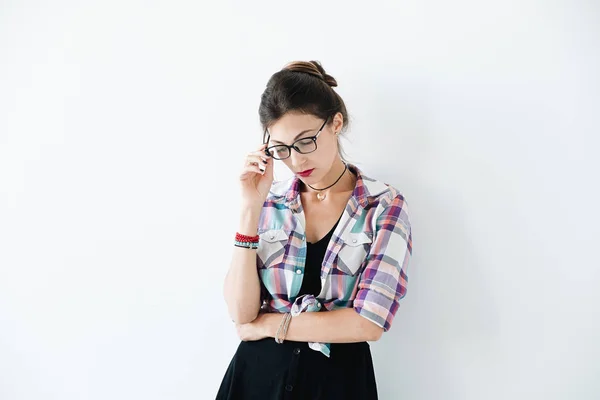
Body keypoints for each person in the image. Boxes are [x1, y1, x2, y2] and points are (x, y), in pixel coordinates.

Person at [217, 60, 413, 400]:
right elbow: (240, 312)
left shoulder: (383, 206)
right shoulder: (269, 202)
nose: (295, 161)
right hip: (256, 382)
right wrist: (250, 209)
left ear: (336, 123)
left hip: (337, 385)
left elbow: (368, 322)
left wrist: (269, 324)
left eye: (306, 141)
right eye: (281, 149)